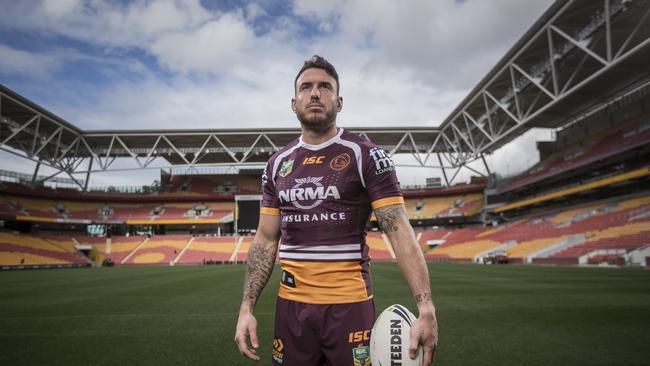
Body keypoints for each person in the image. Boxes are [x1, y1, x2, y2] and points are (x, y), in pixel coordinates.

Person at [234, 55, 438, 365]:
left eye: (324, 87)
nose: (315, 93)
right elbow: (264, 239)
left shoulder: (365, 155)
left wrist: (425, 307)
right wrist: (246, 308)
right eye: (306, 87)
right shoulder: (276, 164)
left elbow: (398, 230)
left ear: (339, 101)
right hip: (291, 309)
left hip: (350, 308)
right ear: (294, 102)